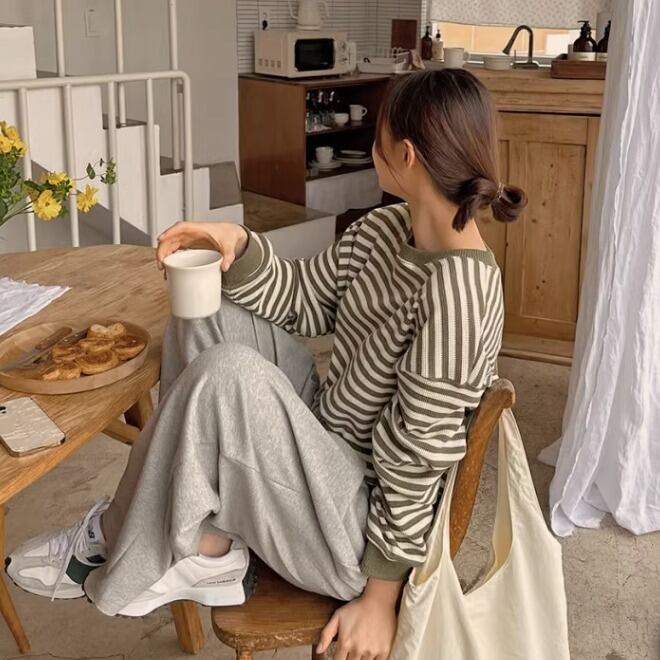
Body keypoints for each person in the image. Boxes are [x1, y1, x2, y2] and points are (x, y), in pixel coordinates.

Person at [7, 69, 526, 660]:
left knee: (229, 375)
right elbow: (306, 299)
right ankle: (204, 538)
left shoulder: (460, 296)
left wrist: (380, 598)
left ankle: (118, 539)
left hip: (355, 531)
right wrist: (237, 244)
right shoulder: (387, 228)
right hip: (324, 445)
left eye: (378, 132)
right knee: (207, 306)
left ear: (405, 156)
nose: (371, 142)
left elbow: (416, 463)